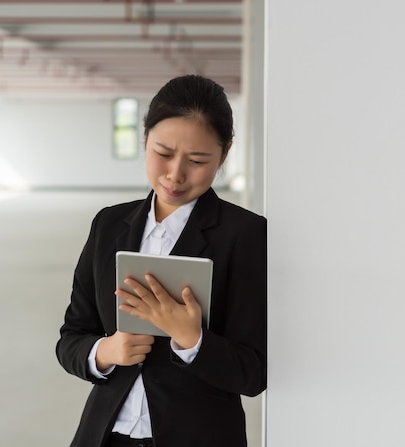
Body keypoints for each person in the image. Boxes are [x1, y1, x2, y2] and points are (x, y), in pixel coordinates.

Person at [56, 74, 266, 447]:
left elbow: (253, 373)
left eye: (198, 160)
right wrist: (105, 352)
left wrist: (192, 340)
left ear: (226, 152)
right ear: (145, 138)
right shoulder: (108, 224)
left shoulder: (245, 235)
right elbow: (71, 337)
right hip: (106, 435)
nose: (175, 174)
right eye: (163, 153)